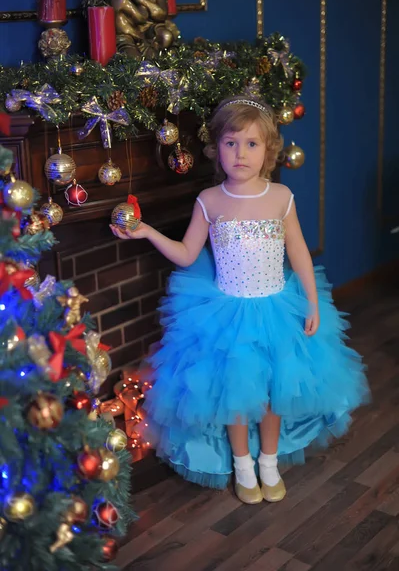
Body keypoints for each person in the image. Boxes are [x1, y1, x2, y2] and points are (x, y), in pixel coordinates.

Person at [110, 95, 370, 505]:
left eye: (251, 143)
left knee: (274, 389)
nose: (240, 153)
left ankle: (269, 461)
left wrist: (314, 303)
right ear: (217, 149)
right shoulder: (209, 201)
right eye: (231, 143)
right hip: (227, 312)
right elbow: (187, 254)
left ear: (268, 150)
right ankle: (243, 464)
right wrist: (148, 232)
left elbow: (298, 251)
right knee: (234, 390)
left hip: (276, 309)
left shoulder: (281, 196)